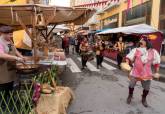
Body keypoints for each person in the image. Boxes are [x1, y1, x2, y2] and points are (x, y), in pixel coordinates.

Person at [125, 35, 160, 107]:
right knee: (131, 85)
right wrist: (127, 63)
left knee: (147, 88)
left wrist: (156, 72)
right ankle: (130, 95)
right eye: (140, 40)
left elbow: (157, 63)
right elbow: (129, 57)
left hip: (146, 73)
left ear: (147, 42)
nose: (140, 41)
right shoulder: (135, 50)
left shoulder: (153, 52)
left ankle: (143, 98)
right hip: (135, 72)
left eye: (143, 40)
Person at [0, 25, 26, 108]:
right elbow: (2, 55)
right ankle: (2, 104)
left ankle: (10, 99)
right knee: (3, 86)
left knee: (10, 84)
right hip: (2, 68)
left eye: (11, 34)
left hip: (10, 67)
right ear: (2, 33)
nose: (10, 36)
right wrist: (16, 58)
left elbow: (14, 49)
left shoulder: (9, 40)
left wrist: (21, 56)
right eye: (9, 34)